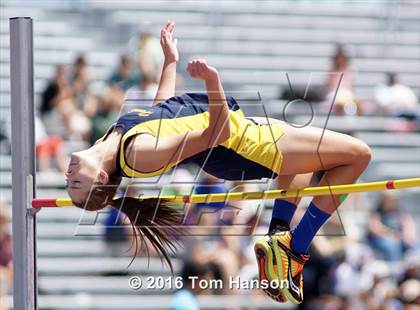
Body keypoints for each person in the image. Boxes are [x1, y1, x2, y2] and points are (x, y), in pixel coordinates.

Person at [64, 21, 372, 304]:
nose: (68, 175)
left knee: (303, 164)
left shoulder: (118, 139)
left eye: (69, 182)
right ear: (102, 177)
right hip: (243, 145)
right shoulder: (136, 153)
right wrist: (213, 82)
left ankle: (281, 236)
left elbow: (161, 111)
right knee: (358, 156)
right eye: (77, 182)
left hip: (243, 137)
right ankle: (296, 248)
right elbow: (217, 131)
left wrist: (170, 61)